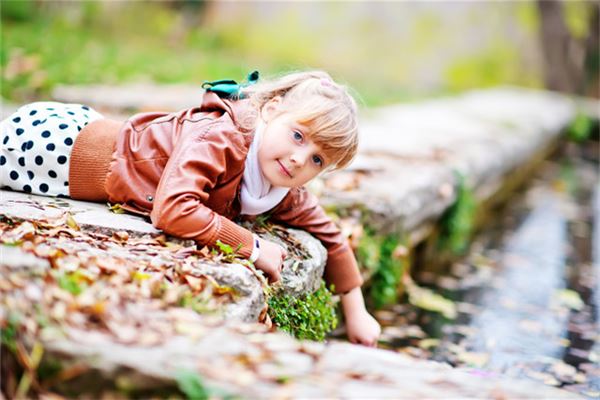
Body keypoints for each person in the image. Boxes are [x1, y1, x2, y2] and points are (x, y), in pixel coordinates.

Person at [0, 70, 381, 346]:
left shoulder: (281, 182)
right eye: (298, 136)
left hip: (92, 136)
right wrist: (253, 246)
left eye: (317, 160)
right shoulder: (224, 136)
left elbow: (329, 234)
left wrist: (356, 310)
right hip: (56, 150)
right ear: (271, 110)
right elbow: (173, 209)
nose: (300, 160)